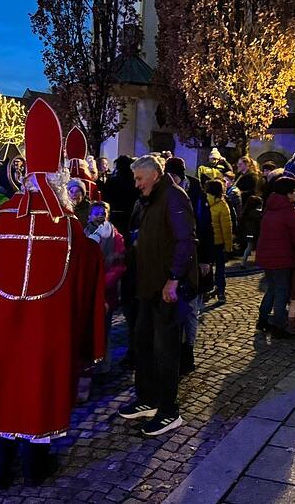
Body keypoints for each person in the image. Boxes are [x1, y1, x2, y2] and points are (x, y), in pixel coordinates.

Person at [0, 99, 105, 487]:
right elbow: (88, 290)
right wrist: (87, 341)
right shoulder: (72, 234)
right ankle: (36, 468)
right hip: (44, 339)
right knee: (38, 394)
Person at [119, 154, 196, 437]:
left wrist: (173, 279)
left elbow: (186, 240)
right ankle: (148, 398)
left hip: (167, 290)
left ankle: (168, 410)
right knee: (143, 344)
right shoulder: (150, 199)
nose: (136, 184)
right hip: (148, 287)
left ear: (154, 174)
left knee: (166, 350)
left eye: (139, 178)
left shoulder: (174, 197)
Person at [163, 157, 212, 374]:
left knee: (191, 309)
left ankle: (188, 351)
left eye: (174, 176)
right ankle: (171, 351)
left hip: (193, 257)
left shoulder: (196, 193)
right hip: (172, 257)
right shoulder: (164, 190)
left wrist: (206, 258)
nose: (171, 180)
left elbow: (205, 226)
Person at [255, 176, 295, 339]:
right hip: (282, 258)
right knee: (282, 291)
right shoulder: (290, 212)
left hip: (266, 256)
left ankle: (263, 319)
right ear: (288, 193)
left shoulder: (269, 208)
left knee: (272, 288)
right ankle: (278, 326)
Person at [85, 201, 126, 376]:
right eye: (96, 212)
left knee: (104, 329)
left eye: (103, 212)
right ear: (89, 215)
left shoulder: (115, 236)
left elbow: (119, 264)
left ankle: (104, 366)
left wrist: (103, 284)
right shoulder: (84, 233)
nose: (100, 215)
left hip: (105, 290)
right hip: (88, 289)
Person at [205, 179, 233, 302]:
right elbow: (226, 229)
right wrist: (229, 248)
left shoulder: (202, 202)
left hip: (206, 242)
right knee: (220, 268)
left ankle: (206, 290)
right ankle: (220, 291)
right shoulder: (222, 205)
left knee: (206, 267)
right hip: (218, 242)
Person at [239, 195, 262, 268]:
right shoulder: (255, 213)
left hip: (248, 233)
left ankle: (243, 263)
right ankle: (258, 263)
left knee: (249, 248)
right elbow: (260, 219)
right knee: (258, 247)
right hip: (255, 232)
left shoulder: (246, 212)